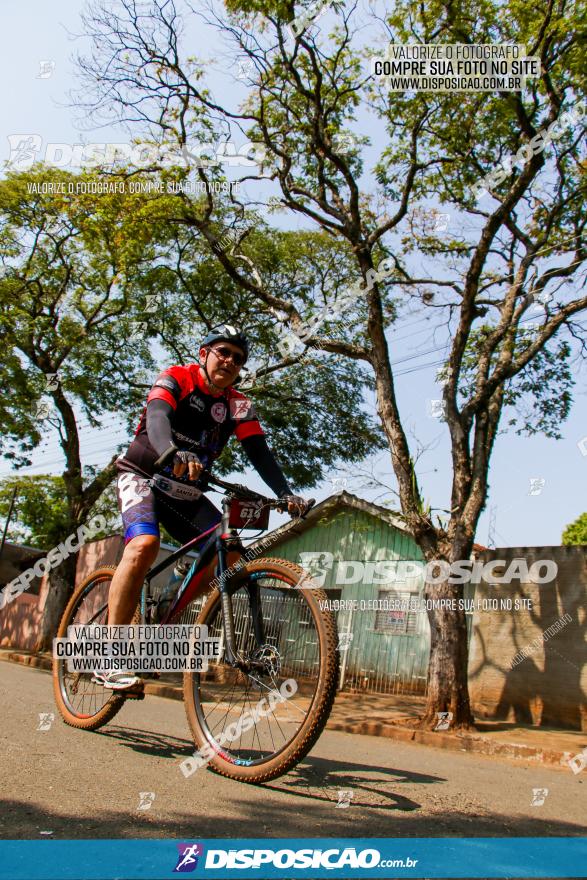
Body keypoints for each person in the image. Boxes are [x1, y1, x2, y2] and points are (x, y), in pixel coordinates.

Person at [95, 325, 309, 689]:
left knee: (229, 553)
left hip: (187, 492)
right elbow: (158, 417)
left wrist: (286, 492)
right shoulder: (178, 377)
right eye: (222, 352)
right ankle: (108, 655)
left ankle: (166, 613)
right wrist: (169, 452)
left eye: (238, 359)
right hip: (144, 476)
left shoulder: (238, 404)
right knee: (144, 546)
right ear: (204, 353)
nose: (229, 361)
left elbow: (259, 451)